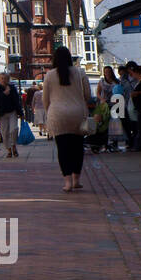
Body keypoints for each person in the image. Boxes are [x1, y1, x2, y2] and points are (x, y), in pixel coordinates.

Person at [43, 46, 91, 192]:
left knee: (63, 149)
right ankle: (77, 180)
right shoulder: (80, 72)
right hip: (77, 114)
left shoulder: (49, 75)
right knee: (77, 148)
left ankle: (67, 182)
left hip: (57, 115)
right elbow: (87, 95)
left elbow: (45, 99)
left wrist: (49, 113)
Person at [0, 72, 24, 158]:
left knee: (14, 129)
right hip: (2, 114)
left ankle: (14, 145)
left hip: (12, 112)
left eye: (5, 78)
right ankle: (9, 150)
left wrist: (21, 113)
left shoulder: (12, 88)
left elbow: (17, 101)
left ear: (8, 79)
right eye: (2, 78)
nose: (3, 80)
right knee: (4, 133)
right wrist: (4, 94)